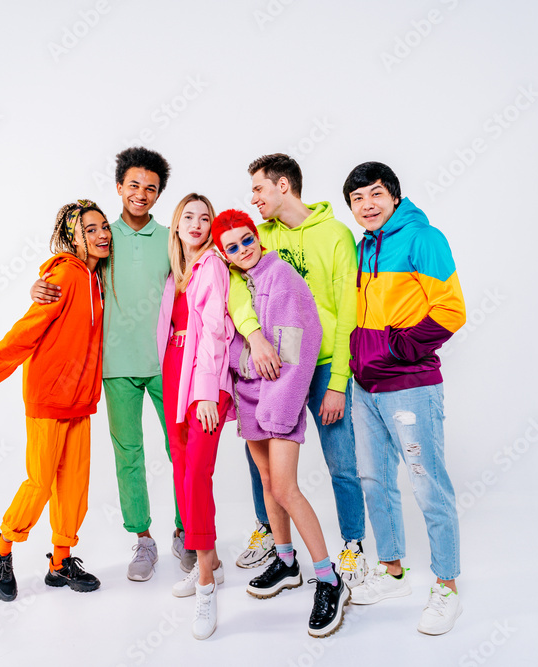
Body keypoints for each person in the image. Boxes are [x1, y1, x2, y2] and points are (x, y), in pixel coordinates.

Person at [31, 148, 196, 581]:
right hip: (115, 366)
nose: (141, 194)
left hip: (166, 364)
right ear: (119, 186)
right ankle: (143, 539)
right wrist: (39, 285)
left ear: (159, 194)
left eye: (151, 188)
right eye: (134, 185)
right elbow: (70, 270)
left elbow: (197, 283)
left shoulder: (171, 237)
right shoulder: (103, 237)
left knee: (180, 450)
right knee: (129, 456)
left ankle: (186, 532)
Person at [0, 199, 113, 601]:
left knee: (74, 486)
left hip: (81, 400)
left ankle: (60, 562)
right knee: (40, 483)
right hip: (49, 397)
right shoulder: (65, 276)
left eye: (104, 227)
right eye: (90, 229)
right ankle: (1, 549)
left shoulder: (98, 278)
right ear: (73, 237)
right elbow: (25, 332)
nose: (102, 234)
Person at [229, 154, 367, 587]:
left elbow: (348, 312)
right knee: (263, 464)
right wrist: (254, 336)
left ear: (283, 186)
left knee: (341, 459)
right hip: (275, 367)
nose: (253, 198)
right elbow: (235, 287)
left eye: (258, 189)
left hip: (323, 365)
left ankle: (352, 545)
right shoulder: (259, 236)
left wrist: (339, 382)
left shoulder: (336, 234)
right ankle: (275, 540)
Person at [212, 209, 349, 638]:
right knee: (269, 483)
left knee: (287, 488)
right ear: (224, 254)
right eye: (232, 247)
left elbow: (298, 348)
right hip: (251, 398)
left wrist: (281, 407)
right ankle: (287, 561)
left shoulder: (281, 276)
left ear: (258, 237)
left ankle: (329, 578)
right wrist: (246, 367)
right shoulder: (238, 281)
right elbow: (236, 344)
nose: (242, 250)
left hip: (278, 402)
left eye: (246, 240)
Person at [342, 161, 466, 635]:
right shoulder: (363, 247)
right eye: (357, 199)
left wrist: (393, 350)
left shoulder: (423, 239)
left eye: (375, 194)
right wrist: (361, 358)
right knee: (374, 479)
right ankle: (392, 572)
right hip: (365, 388)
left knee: (427, 483)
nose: (367, 205)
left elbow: (451, 310)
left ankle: (446, 587)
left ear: (394, 196)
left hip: (410, 385)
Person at [156, 193, 235, 640]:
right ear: (176, 224)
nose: (197, 223)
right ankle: (213, 562)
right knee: (182, 470)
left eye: (205, 218)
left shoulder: (214, 266)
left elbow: (217, 332)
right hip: (174, 371)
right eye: (188, 216)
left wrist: (206, 393)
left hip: (204, 378)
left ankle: (206, 585)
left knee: (197, 475)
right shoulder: (176, 273)